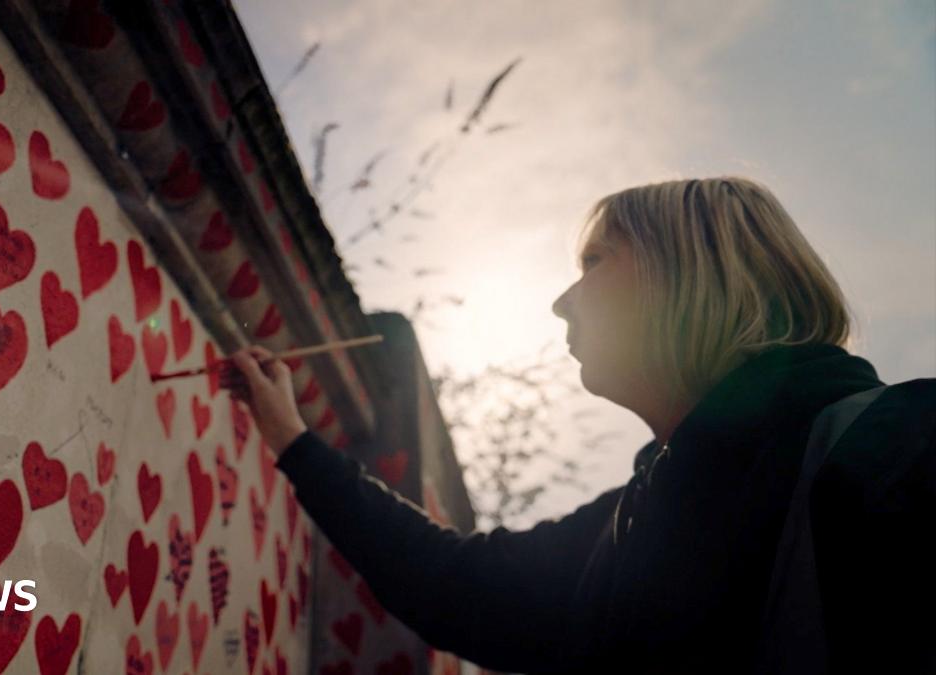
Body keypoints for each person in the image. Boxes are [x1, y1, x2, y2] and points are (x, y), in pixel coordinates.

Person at [220, 177, 935, 674]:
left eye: (596, 260)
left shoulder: (899, 445)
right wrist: (291, 436)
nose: (562, 301)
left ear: (693, 273)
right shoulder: (633, 520)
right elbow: (456, 583)